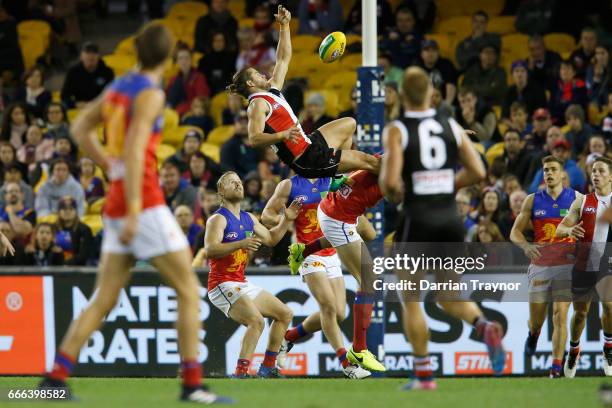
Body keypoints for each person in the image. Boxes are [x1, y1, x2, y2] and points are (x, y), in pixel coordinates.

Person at [38, 23, 231, 403]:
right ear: (167, 57)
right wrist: (133, 209)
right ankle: (192, 385)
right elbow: (136, 146)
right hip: (141, 204)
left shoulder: (118, 87)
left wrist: (108, 166)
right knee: (190, 291)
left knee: (104, 299)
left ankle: (54, 380)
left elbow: (79, 128)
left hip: (116, 202)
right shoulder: (151, 94)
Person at [379, 67, 506, 390]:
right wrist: (446, 185)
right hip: (451, 220)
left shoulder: (397, 129)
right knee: (448, 294)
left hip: (418, 220)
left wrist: (402, 191)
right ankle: (484, 325)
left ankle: (423, 375)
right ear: (430, 94)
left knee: (412, 298)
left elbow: (390, 182)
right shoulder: (449, 123)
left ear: (404, 95)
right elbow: (478, 169)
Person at [230, 7, 379, 179]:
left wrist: (284, 27)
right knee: (370, 161)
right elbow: (254, 139)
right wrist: (282, 135)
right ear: (250, 83)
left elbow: (283, 59)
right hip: (306, 159)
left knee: (349, 123)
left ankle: (336, 178)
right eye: (257, 74)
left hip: (308, 144)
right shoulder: (257, 104)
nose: (262, 74)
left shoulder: (271, 90)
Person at [262, 174, 373, 379]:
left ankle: (289, 336)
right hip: (306, 252)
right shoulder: (289, 185)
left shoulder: (332, 181)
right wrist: (286, 218)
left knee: (339, 313)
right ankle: (347, 364)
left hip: (332, 253)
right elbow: (266, 215)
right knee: (328, 307)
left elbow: (348, 212)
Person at [287, 167, 388, 375]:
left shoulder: (388, 158)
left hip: (340, 215)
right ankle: (357, 351)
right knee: (367, 281)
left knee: (340, 312)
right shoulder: (289, 186)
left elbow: (371, 233)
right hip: (338, 217)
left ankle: (303, 250)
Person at [205, 171, 300, 378]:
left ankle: (267, 367)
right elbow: (210, 250)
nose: (238, 184)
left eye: (239, 181)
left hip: (240, 282)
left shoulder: (248, 218)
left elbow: (272, 239)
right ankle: (240, 373)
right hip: (221, 284)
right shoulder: (217, 219)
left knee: (284, 314)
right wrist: (241, 243)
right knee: (256, 321)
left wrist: (286, 220)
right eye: (231, 182)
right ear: (221, 192)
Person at [510, 156, 575, 378]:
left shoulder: (577, 199)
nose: (548, 173)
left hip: (567, 264)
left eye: (553, 169)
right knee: (537, 319)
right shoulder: (532, 200)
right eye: (545, 170)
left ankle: (556, 366)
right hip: (540, 264)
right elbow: (515, 232)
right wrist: (526, 247)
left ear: (562, 174)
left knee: (560, 314)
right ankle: (534, 333)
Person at [555, 156, 612, 378]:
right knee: (580, 314)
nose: (595, 175)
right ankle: (574, 349)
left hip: (607, 263)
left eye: (600, 171)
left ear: (610, 176)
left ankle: (608, 348)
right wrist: (569, 231)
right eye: (593, 171)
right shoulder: (582, 201)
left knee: (609, 305)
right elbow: (560, 228)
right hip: (583, 263)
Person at [60, 42, 114, 109]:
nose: (91, 56)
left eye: (94, 53)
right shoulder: (73, 72)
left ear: (99, 56)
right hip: (80, 108)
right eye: (87, 53)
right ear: (81, 56)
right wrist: (75, 104)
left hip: (101, 107)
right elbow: (64, 95)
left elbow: (113, 93)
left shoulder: (107, 72)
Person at [166, 43, 210, 117]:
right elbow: (166, 98)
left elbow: (202, 100)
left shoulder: (198, 77)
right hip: (173, 112)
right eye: (181, 58)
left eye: (186, 58)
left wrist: (181, 110)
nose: (184, 61)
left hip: (191, 113)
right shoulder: (173, 79)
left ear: (191, 60)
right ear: (177, 61)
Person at [55, 196, 95, 265]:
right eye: (64, 209)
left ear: (76, 211)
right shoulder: (53, 228)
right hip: (54, 267)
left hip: (77, 269)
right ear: (58, 212)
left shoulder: (85, 230)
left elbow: (84, 255)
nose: (68, 211)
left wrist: (65, 264)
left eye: (71, 209)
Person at [417, 39, 458, 105]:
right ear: (421, 54)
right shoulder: (417, 68)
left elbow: (451, 87)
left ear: (438, 53)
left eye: (433, 50)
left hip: (444, 103)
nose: (430, 53)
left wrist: (446, 106)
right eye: (427, 50)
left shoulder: (446, 65)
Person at [198, 32, 238, 97]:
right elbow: (201, 81)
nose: (218, 43)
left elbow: (234, 79)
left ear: (225, 42)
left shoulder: (232, 59)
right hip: (209, 94)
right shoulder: (203, 61)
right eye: (216, 40)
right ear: (211, 42)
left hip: (227, 94)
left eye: (221, 40)